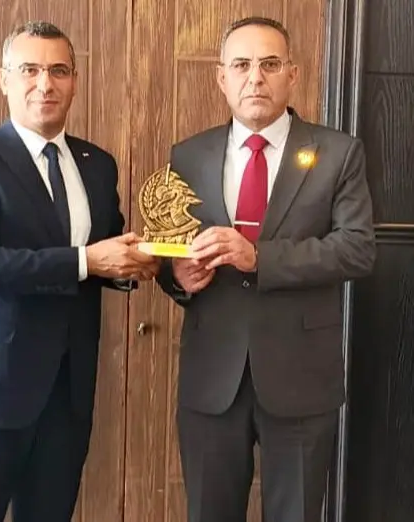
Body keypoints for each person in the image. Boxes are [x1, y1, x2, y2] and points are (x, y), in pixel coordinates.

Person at [0, 21, 157, 522]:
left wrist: (141, 262)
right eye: (29, 70)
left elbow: (106, 248)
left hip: (66, 390)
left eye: (58, 71)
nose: (44, 84)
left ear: (75, 81)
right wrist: (87, 261)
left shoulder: (97, 164)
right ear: (4, 79)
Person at [156, 16, 376, 522]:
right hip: (212, 378)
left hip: (301, 378)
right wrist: (177, 279)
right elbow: (171, 249)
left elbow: (357, 249)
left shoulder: (337, 153)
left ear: (292, 74)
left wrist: (260, 258)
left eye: (270, 64)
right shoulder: (187, 155)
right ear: (222, 77)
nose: (255, 78)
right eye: (241, 65)